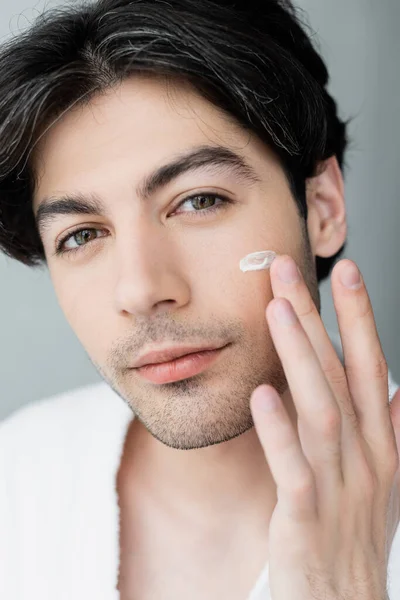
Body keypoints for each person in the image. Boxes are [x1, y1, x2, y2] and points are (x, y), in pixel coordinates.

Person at [0, 0, 398, 598]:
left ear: (321, 208)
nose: (141, 291)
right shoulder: (20, 477)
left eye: (199, 201)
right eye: (82, 235)